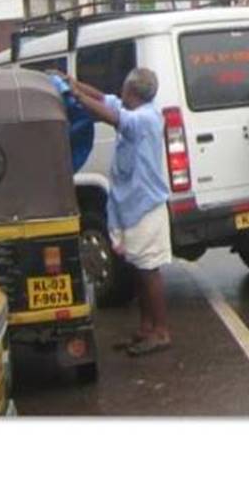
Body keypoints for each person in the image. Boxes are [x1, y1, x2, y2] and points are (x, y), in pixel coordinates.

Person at [65, 68, 173, 356]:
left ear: (132, 92)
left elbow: (111, 115)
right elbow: (104, 99)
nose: (120, 94)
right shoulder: (131, 108)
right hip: (131, 207)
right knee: (137, 267)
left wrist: (75, 96)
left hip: (146, 206)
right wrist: (76, 85)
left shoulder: (146, 118)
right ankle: (146, 328)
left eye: (124, 89)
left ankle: (160, 331)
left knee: (149, 270)